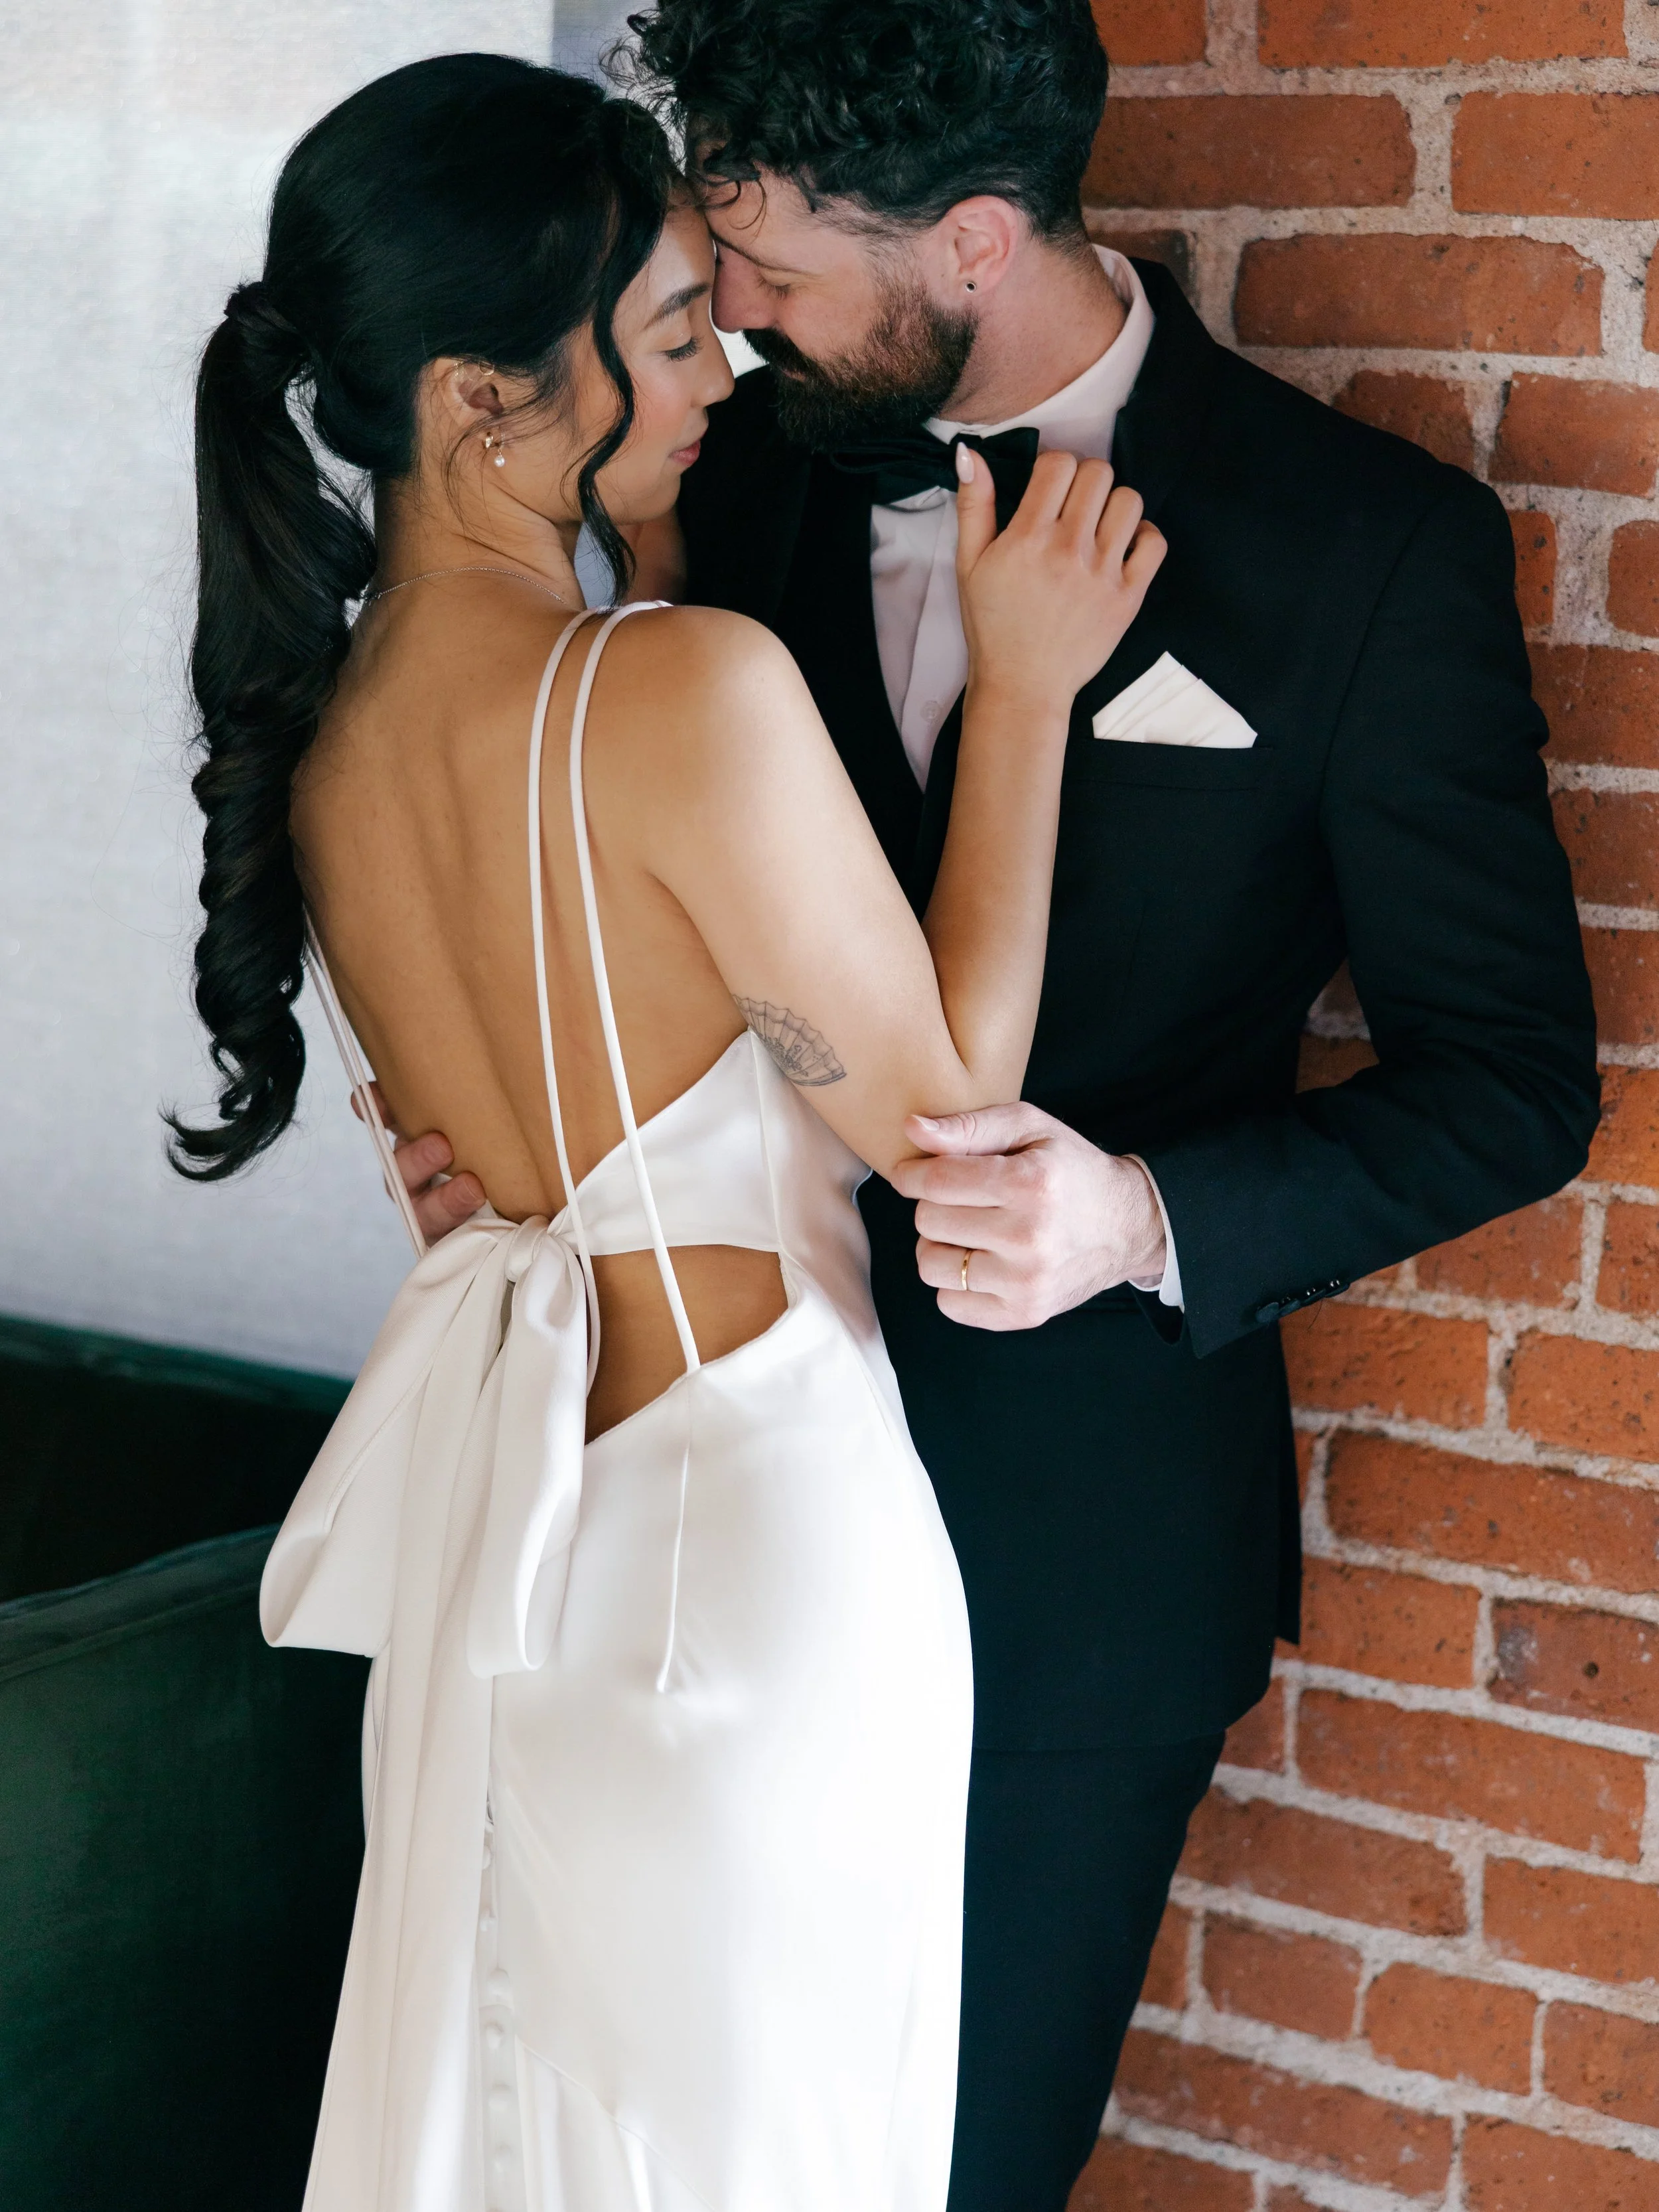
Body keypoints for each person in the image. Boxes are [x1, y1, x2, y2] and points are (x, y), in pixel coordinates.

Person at [390, 5, 1601, 2205]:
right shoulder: (709, 487)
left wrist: (1140, 1215)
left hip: (1070, 1566)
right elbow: (580, 878)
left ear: (966, 237)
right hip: (684, 1541)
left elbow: (1512, 1085)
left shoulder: (1361, 551)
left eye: (762, 261)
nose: (722, 311)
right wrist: (510, 1118)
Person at [168, 50, 1163, 2212]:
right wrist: (1020, 695)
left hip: (520, 1583)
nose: (718, 354)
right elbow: (951, 1121)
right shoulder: (674, 688)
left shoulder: (326, 751)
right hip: (753, 1558)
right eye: (658, 328)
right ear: (477, 400)